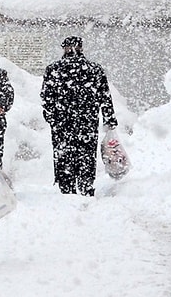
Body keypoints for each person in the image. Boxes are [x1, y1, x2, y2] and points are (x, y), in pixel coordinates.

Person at [40, 36, 118, 197]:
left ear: (64, 48)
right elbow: (105, 96)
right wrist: (109, 118)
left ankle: (66, 188)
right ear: (81, 48)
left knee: (64, 155)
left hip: (62, 123)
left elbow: (46, 98)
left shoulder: (53, 69)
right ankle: (85, 186)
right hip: (87, 121)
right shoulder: (94, 69)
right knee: (86, 155)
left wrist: (52, 118)